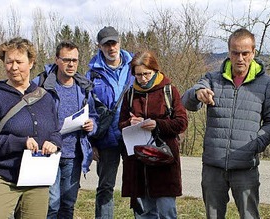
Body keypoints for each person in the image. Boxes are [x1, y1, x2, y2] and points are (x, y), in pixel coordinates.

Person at [181, 28, 270, 219]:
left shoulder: (266, 84)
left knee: (249, 215)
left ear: (253, 52)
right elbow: (187, 102)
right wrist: (197, 93)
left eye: (245, 53)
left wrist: (257, 143)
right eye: (235, 52)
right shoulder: (212, 79)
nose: (240, 58)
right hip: (214, 165)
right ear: (229, 52)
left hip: (246, 166)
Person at [0, 37, 61, 218]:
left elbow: (55, 132)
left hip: (36, 180)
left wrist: (54, 143)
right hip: (1, 177)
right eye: (9, 62)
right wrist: (19, 142)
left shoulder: (45, 98)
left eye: (19, 62)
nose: (13, 67)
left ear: (31, 62)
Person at [118, 51, 188, 218]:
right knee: (144, 213)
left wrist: (158, 124)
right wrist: (130, 123)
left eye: (146, 74)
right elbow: (120, 124)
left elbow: (181, 122)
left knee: (166, 211)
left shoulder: (169, 91)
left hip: (164, 161)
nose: (142, 79)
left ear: (155, 70)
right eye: (138, 75)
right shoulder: (130, 94)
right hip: (138, 164)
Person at [34, 41, 97, 219]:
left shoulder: (83, 87)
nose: (71, 64)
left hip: (74, 154)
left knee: (68, 204)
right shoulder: (42, 84)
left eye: (75, 60)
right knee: (52, 204)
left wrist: (92, 125)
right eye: (66, 60)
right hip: (49, 152)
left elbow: (93, 115)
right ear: (56, 60)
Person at [86, 26, 134, 219]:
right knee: (106, 187)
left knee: (137, 184)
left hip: (133, 134)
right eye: (106, 44)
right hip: (106, 138)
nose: (111, 48)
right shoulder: (92, 74)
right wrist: (92, 143)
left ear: (119, 42)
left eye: (113, 43)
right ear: (99, 46)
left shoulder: (135, 67)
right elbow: (89, 111)